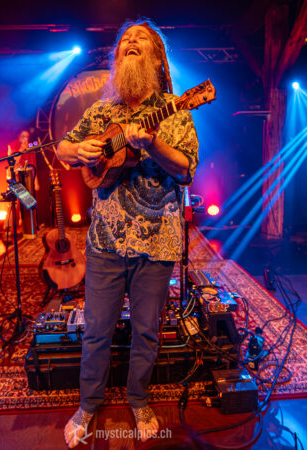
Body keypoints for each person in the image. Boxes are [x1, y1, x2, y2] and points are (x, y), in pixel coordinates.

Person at [56, 18, 199, 448]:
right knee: (96, 329)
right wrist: (78, 149)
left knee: (146, 330)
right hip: (105, 240)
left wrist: (151, 144)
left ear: (157, 59)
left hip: (157, 241)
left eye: (141, 41)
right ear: (117, 60)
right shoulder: (101, 112)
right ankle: (88, 404)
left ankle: (139, 400)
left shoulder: (176, 108)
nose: (131, 43)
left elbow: (186, 169)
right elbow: (63, 148)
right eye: (125, 42)